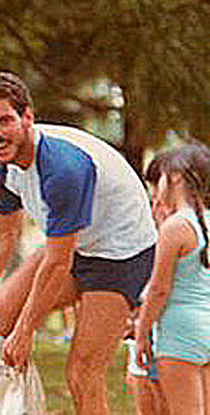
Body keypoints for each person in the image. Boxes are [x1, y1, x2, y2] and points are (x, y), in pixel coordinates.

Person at [0, 71, 157, 414]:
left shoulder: (63, 169)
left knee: (82, 372)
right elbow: (2, 232)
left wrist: (26, 329)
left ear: (27, 116)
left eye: (4, 120)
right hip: (74, 245)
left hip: (121, 256)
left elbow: (59, 263)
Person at [135, 144, 210, 415]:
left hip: (180, 333)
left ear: (176, 177)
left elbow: (159, 289)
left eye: (160, 179)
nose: (156, 188)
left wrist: (141, 334)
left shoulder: (176, 227)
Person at [123, 152, 171, 415]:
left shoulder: (184, 235)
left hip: (174, 339)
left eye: (160, 202)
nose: (154, 210)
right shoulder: (145, 241)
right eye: (151, 201)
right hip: (145, 339)